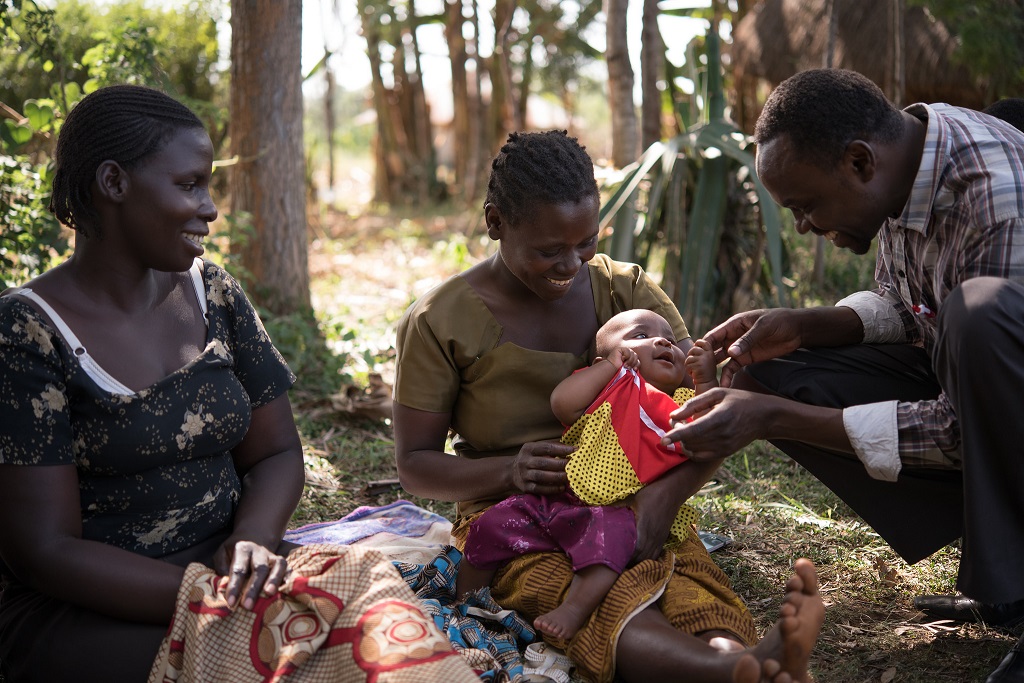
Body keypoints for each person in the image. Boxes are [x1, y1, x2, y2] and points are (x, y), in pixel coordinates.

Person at [0, 84, 479, 683]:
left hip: (236, 572)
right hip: (94, 610)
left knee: (378, 614)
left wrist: (253, 538)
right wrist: (212, 597)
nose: (210, 207)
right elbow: (44, 552)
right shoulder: (28, 331)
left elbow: (276, 450)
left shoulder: (212, 293)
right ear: (114, 183)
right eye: (188, 184)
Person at [393, 129, 825, 683]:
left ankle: (737, 652)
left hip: (643, 492)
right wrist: (510, 471)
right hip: (520, 515)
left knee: (686, 576)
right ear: (495, 221)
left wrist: (661, 503)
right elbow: (416, 465)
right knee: (586, 595)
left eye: (586, 243)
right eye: (549, 250)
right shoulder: (440, 320)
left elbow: (704, 410)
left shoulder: (627, 296)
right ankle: (731, 670)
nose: (570, 265)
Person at [661, 69, 1024, 682]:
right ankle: (1007, 574)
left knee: (980, 314)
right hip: (986, 395)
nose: (802, 227)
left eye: (805, 206)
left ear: (857, 163)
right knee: (768, 372)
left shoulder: (997, 200)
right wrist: (805, 325)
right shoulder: (907, 157)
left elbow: (972, 415)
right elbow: (913, 311)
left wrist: (773, 420)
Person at [456, 309, 720, 641]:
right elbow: (561, 402)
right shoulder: (608, 386)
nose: (663, 340)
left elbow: (712, 431)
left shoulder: (678, 404)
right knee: (491, 524)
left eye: (669, 336)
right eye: (640, 335)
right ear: (607, 359)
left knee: (606, 550)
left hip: (620, 512)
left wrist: (706, 380)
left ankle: (574, 609)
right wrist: (609, 368)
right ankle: (463, 598)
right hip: (559, 495)